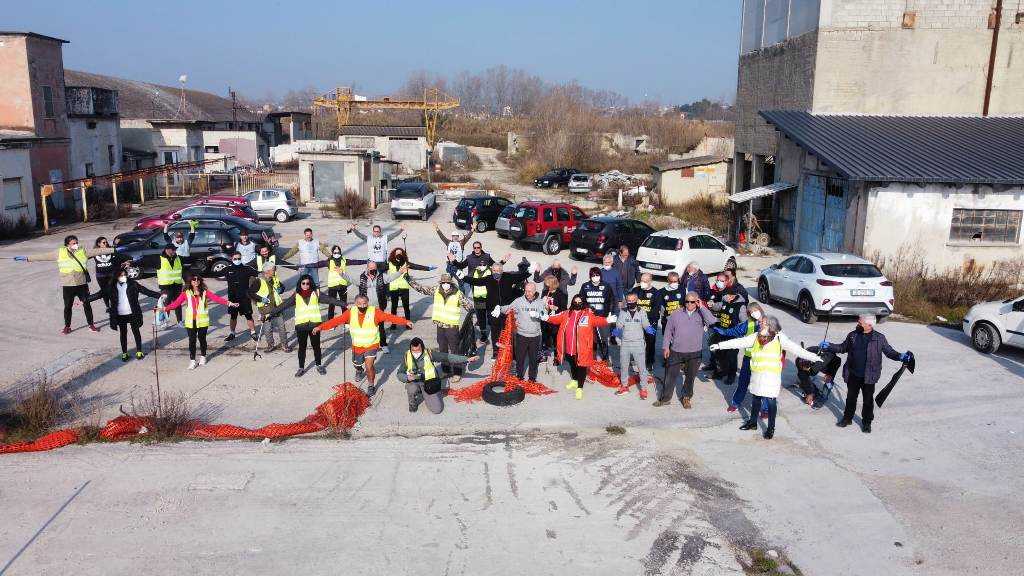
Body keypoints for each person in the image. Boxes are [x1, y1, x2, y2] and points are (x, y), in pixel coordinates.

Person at [712, 316, 822, 439]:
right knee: (756, 399)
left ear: (771, 325)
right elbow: (739, 342)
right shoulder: (756, 336)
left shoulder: (780, 338)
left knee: (770, 403)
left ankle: (770, 428)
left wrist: (813, 357)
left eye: (763, 322)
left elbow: (796, 349)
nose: (759, 323)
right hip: (757, 377)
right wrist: (719, 345)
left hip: (771, 379)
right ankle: (753, 422)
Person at [821, 314, 910, 433]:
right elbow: (842, 348)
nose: (857, 324)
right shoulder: (853, 335)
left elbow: (890, 352)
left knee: (868, 400)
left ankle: (867, 422)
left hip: (869, 376)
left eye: (860, 323)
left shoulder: (879, 338)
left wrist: (900, 356)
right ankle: (847, 418)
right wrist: (829, 346)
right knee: (851, 398)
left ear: (869, 325)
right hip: (853, 373)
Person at [313, 293, 412, 396]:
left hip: (371, 344)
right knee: (357, 364)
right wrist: (320, 327)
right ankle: (359, 370)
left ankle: (371, 385)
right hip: (357, 346)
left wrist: (405, 321)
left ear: (367, 303)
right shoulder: (350, 313)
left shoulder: (375, 312)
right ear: (355, 303)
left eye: (365, 303)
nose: (362, 306)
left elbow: (389, 317)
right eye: (359, 304)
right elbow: (336, 320)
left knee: (369, 366)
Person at [21, 234, 116, 334]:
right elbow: (43, 256)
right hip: (68, 285)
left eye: (76, 243)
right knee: (67, 307)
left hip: (82, 284)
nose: (76, 245)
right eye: (73, 243)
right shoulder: (59, 253)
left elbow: (98, 251)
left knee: (87, 304)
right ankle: (67, 326)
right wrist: (27, 258)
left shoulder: (82, 251)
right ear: (67, 245)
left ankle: (91, 325)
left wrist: (114, 250)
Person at [263, 274, 346, 377]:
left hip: (314, 325)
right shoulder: (296, 295)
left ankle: (319, 365)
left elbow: (330, 300)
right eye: (303, 283)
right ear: (300, 284)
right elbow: (284, 305)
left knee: (316, 347)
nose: (306, 285)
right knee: (302, 347)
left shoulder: (316, 293)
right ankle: (301, 368)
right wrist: (270, 314)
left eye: (308, 283)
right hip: (301, 325)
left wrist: (344, 304)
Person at [161, 274, 238, 369]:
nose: (196, 282)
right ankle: (192, 360)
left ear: (200, 281)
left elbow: (217, 299)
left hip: (202, 321)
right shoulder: (186, 293)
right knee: (192, 341)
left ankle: (203, 356)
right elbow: (176, 304)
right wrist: (164, 309)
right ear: (190, 282)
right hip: (191, 321)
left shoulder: (205, 292)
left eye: (198, 280)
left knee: (202, 340)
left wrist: (229, 303)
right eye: (194, 280)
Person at [546, 295, 614, 400]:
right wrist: (545, 317)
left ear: (583, 303)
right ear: (572, 302)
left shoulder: (588, 314)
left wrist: (607, 320)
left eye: (579, 302)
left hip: (582, 347)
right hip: (569, 346)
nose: (577, 303)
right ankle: (574, 380)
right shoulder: (567, 313)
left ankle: (580, 387)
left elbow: (597, 321)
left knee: (581, 366)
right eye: (575, 301)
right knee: (572, 364)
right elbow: (556, 319)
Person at [410, 274, 475, 382]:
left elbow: (469, 306)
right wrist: (408, 279)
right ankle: (445, 370)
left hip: (452, 327)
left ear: (451, 283)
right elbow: (421, 288)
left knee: (455, 350)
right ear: (441, 283)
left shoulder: (458, 294)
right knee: (442, 350)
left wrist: (475, 316)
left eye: (447, 283)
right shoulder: (436, 290)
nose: (445, 285)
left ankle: (457, 372)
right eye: (443, 283)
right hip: (440, 326)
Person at [463, 257, 531, 359]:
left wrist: (530, 271)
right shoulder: (488, 278)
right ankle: (496, 351)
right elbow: (475, 281)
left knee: (507, 330)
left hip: (506, 309)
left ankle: (509, 351)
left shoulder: (508, 277)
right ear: (492, 271)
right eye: (494, 270)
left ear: (502, 271)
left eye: (498, 271)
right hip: (492, 310)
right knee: (495, 331)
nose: (496, 272)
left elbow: (520, 277)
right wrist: (463, 277)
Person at [659, 291, 717, 409]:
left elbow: (712, 321)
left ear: (697, 301)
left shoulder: (702, 314)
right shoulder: (676, 314)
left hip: (694, 352)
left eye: (692, 302)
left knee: (690, 377)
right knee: (670, 375)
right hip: (676, 350)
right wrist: (665, 347)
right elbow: (668, 331)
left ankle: (686, 397)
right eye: (687, 301)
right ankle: (665, 398)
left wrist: (702, 307)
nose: (689, 304)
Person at [712, 302, 765, 412]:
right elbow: (736, 330)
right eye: (751, 312)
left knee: (762, 385)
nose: (754, 313)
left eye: (755, 310)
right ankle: (735, 403)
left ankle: (765, 409)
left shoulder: (769, 322)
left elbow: (779, 339)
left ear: (760, 309)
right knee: (743, 382)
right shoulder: (748, 323)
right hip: (748, 358)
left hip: (763, 360)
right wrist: (724, 332)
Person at [105, 262, 162, 361]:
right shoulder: (111, 286)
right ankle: (124, 353)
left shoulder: (133, 284)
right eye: (121, 276)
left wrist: (160, 296)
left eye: (124, 275)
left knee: (136, 331)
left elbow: (146, 291)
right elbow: (99, 294)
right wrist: (86, 299)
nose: (123, 277)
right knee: (123, 333)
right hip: (120, 315)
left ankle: (139, 351)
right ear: (116, 277)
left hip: (132, 313)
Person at [402, 337, 476, 414]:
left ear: (422, 348)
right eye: (413, 350)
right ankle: (412, 403)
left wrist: (466, 359)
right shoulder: (407, 356)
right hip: (414, 382)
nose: (415, 353)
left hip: (429, 383)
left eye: (418, 350)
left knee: (437, 410)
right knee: (411, 388)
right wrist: (407, 378)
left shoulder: (429, 354)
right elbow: (399, 373)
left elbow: (447, 357)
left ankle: (426, 393)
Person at [613, 291, 655, 399]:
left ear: (637, 301)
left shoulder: (642, 311)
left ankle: (644, 389)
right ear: (626, 301)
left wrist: (649, 329)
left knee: (641, 367)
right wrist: (616, 330)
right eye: (629, 301)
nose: (631, 302)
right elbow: (619, 324)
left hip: (638, 344)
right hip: (625, 343)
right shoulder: (623, 311)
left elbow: (646, 324)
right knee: (624, 366)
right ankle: (624, 386)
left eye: (633, 301)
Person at [708, 273, 748, 384]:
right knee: (720, 354)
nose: (729, 297)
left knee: (731, 357)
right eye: (728, 295)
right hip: (721, 333)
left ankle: (731, 375)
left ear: (736, 295)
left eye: (731, 296)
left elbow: (744, 322)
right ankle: (720, 373)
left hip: (733, 335)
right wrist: (712, 305)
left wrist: (738, 333)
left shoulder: (741, 306)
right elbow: (718, 306)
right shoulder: (725, 300)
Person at [355, 261, 404, 354]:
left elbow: (390, 278)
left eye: (374, 268)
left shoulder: (381, 276)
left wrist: (400, 272)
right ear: (367, 268)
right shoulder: (362, 277)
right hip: (366, 307)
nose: (373, 270)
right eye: (371, 268)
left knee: (381, 327)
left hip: (379, 307)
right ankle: (368, 344)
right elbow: (351, 279)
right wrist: (341, 274)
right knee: (367, 327)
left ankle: (383, 345)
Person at [386, 247, 434, 330]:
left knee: (406, 306)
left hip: (404, 286)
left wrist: (428, 268)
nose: (398, 255)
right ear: (394, 254)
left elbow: (417, 266)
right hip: (393, 287)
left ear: (403, 254)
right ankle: (393, 324)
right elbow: (379, 268)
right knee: (394, 306)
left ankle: (408, 323)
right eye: (397, 253)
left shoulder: (406, 263)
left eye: (400, 253)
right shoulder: (389, 263)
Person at [509, 282, 548, 382]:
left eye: (530, 291)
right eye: (526, 291)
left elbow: (545, 315)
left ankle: (532, 378)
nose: (527, 293)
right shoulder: (518, 301)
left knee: (533, 359)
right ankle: (519, 376)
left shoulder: (539, 302)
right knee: (520, 358)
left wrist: (539, 314)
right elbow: (508, 309)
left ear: (535, 291)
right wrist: (499, 308)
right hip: (521, 335)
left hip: (535, 336)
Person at [217, 251, 259, 342]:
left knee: (248, 315)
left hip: (245, 297)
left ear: (241, 258)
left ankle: (253, 332)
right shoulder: (227, 269)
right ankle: (232, 333)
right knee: (233, 316)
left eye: (239, 258)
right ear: (231, 259)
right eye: (235, 259)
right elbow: (215, 274)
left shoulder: (247, 268)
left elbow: (258, 273)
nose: (237, 260)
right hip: (233, 297)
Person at [249, 263, 291, 352]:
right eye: (273, 269)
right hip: (265, 309)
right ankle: (270, 345)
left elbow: (282, 286)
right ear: (267, 271)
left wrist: (281, 289)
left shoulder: (274, 278)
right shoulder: (258, 281)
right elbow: (250, 293)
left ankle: (285, 345)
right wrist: (261, 299)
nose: (275, 271)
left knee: (282, 327)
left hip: (277, 307)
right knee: (267, 328)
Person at [577, 266, 614, 360]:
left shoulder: (606, 286)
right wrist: (586, 307)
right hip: (590, 317)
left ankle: (605, 357)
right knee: (592, 339)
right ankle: (592, 357)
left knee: (604, 338)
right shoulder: (585, 286)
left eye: (597, 275)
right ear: (590, 276)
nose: (595, 277)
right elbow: (581, 300)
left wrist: (610, 312)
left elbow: (612, 300)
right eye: (593, 275)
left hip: (603, 317)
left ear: (600, 276)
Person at [629, 273, 661, 371]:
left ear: (650, 281)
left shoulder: (656, 293)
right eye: (641, 280)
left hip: (650, 322)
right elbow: (630, 305)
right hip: (636, 322)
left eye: (645, 281)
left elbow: (655, 310)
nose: (642, 283)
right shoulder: (635, 290)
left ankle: (649, 361)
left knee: (650, 342)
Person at [90, 237, 124, 313]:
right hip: (100, 276)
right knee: (104, 292)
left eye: (106, 242)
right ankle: (107, 306)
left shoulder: (110, 250)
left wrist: (116, 243)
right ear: (98, 244)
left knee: (112, 290)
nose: (106, 244)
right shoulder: (95, 252)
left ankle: (113, 305)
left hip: (110, 274)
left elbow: (118, 252)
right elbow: (84, 257)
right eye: (103, 243)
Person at [539, 274, 568, 360]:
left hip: (556, 319)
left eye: (548, 284)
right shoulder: (545, 292)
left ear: (553, 284)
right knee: (545, 337)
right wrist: (543, 303)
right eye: (546, 284)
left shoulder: (561, 294)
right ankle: (544, 355)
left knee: (556, 338)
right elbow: (541, 305)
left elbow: (564, 309)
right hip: (546, 319)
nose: (547, 286)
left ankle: (557, 356)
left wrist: (556, 308)